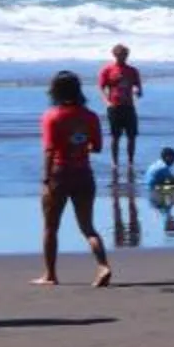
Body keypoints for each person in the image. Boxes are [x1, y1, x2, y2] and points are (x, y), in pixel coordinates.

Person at [36, 72, 113, 287]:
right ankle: (103, 265)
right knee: (88, 227)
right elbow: (96, 147)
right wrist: (79, 145)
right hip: (83, 173)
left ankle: (50, 274)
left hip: (60, 173)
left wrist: (45, 178)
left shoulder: (52, 116)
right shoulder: (90, 116)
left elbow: (50, 151)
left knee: (51, 227)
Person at [98, 44, 143, 178]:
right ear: (115, 55)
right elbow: (102, 87)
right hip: (114, 106)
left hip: (129, 106)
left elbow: (137, 86)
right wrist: (107, 102)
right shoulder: (108, 70)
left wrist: (137, 91)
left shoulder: (132, 71)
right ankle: (115, 162)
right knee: (115, 136)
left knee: (132, 136)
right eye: (120, 55)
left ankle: (130, 161)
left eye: (125, 55)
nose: (123, 57)